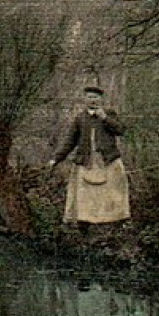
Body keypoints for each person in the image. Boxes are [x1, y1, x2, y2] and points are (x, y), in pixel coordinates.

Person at [47, 86, 130, 226]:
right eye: (90, 97)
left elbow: (120, 130)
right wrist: (56, 158)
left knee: (113, 191)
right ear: (85, 99)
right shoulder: (80, 118)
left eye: (96, 97)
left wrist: (105, 118)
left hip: (107, 160)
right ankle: (84, 224)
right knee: (84, 196)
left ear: (101, 99)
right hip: (86, 161)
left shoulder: (110, 114)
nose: (93, 100)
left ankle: (115, 222)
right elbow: (70, 141)